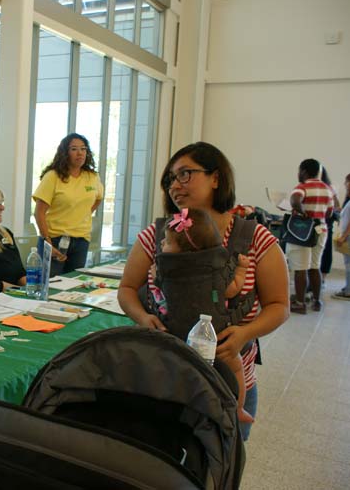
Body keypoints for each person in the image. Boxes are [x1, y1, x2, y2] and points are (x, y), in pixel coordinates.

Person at [117, 141, 289, 440]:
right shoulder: (158, 235)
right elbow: (128, 289)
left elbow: (279, 305)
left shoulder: (255, 239)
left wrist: (245, 334)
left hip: (229, 382)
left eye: (185, 174)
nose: (175, 185)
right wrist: (144, 320)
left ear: (216, 178)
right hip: (164, 382)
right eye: (171, 178)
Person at [151, 207, 253, 423]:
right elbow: (232, 289)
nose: (161, 245)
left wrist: (154, 274)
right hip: (214, 335)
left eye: (167, 242)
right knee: (235, 367)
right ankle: (239, 408)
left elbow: (158, 291)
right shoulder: (213, 274)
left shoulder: (167, 272)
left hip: (175, 336)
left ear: (187, 251)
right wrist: (242, 270)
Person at [32, 133, 103, 276]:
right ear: (65, 153)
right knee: (49, 285)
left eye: (83, 149)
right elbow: (39, 212)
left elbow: (98, 198)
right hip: (55, 239)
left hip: (81, 240)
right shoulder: (53, 176)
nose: (80, 153)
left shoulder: (92, 176)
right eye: (74, 149)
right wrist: (48, 242)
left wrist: (82, 213)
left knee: (73, 284)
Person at [286, 159, 335, 314]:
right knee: (315, 266)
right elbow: (330, 212)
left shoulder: (302, 187)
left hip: (303, 231)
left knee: (300, 268)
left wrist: (303, 212)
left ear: (304, 171)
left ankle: (300, 303)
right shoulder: (327, 189)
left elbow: (295, 201)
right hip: (321, 230)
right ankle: (316, 300)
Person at [319, 169, 341, 285]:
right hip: (319, 224)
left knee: (326, 250)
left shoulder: (329, 188)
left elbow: (337, 207)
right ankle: (318, 279)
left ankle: (322, 277)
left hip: (326, 223)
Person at [332, 173, 350, 300]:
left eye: (347, 182)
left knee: (349, 265)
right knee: (348, 263)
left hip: (348, 237)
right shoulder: (348, 202)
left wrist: (343, 237)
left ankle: (348, 291)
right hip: (346, 236)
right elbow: (340, 211)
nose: (345, 184)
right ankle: (348, 287)